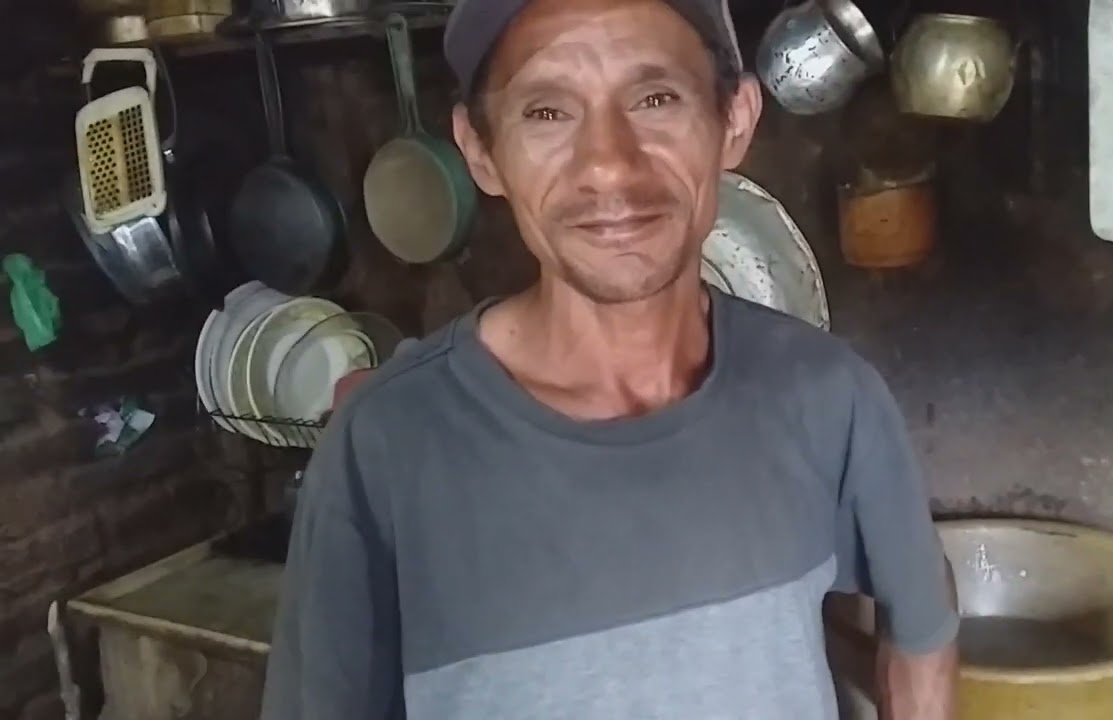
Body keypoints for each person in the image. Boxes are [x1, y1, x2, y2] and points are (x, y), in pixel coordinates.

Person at [260, 0, 958, 718]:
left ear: (735, 122)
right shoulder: (385, 447)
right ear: (480, 152)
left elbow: (923, 632)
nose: (609, 165)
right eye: (546, 112)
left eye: (656, 98)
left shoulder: (829, 396)